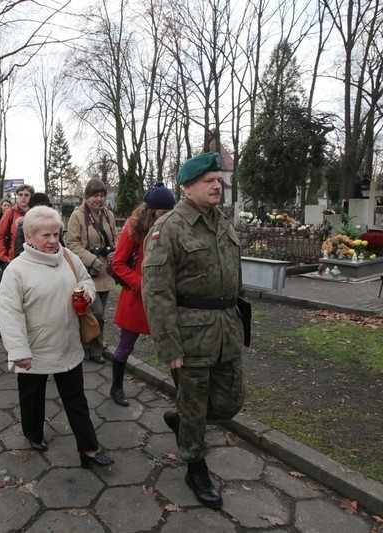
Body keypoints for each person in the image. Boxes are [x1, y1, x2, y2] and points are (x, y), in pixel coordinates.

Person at [141, 152, 245, 510]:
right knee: (196, 404)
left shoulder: (224, 223)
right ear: (187, 187)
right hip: (190, 335)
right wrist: (169, 346)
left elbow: (235, 278)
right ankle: (195, 466)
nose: (217, 186)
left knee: (230, 401)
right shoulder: (167, 228)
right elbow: (156, 291)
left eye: (219, 180)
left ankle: (183, 418)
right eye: (208, 181)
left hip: (226, 330)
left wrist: (240, 323)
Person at [0, 206, 114, 469]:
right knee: (32, 398)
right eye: (46, 235)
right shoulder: (16, 271)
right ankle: (33, 433)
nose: (53, 241)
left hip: (69, 344)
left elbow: (86, 280)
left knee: (77, 400)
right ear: (29, 237)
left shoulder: (69, 257)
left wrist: (86, 291)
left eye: (56, 234)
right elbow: (9, 313)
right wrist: (18, 351)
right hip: (35, 349)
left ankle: (89, 451)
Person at [109, 182, 176, 406]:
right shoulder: (135, 228)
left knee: (173, 348)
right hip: (138, 298)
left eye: (170, 213)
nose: (166, 217)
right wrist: (142, 285)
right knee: (125, 346)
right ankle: (116, 386)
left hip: (166, 299)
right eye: (162, 213)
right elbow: (118, 264)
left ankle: (184, 396)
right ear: (150, 211)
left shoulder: (173, 228)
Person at [66, 178, 117, 365]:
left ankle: (92, 346)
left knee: (98, 314)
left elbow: (114, 238)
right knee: (96, 313)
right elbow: (72, 244)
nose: (99, 199)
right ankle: (91, 347)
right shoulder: (78, 215)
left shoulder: (108, 215)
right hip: (87, 272)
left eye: (102, 195)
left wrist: (114, 253)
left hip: (105, 272)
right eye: (95, 195)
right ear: (87, 195)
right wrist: (92, 259)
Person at [0, 184, 33, 269]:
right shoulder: (10, 213)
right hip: (13, 259)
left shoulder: (34, 213)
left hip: (31, 258)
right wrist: (4, 257)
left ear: (30, 197)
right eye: (20, 194)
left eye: (26, 195)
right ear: (17, 196)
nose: (23, 197)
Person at [14, 192, 56, 257]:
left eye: (47, 208)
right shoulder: (23, 228)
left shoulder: (54, 227)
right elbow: (19, 254)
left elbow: (60, 249)